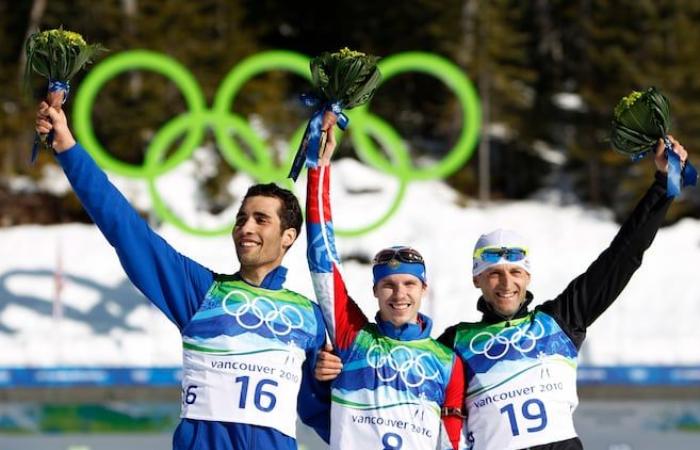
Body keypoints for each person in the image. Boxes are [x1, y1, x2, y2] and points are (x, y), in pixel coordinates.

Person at [314, 136, 688, 449]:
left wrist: (660, 186)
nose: (505, 283)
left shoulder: (560, 320)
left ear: (527, 276)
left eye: (514, 272)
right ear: (476, 279)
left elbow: (622, 256)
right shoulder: (453, 343)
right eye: (493, 273)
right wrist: (334, 366)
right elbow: (395, 372)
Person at [35, 101, 330, 450]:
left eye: (260, 219)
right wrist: (68, 148)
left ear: (288, 237)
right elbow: (124, 227)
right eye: (241, 218)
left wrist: (330, 380)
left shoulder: (310, 318)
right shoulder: (202, 292)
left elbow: (330, 415)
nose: (245, 228)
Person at [305, 118, 465, 450]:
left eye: (409, 283)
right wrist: (319, 168)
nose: (399, 294)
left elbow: (453, 441)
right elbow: (322, 260)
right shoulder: (352, 338)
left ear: (424, 289)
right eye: (388, 285)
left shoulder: (447, 363)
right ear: (375, 291)